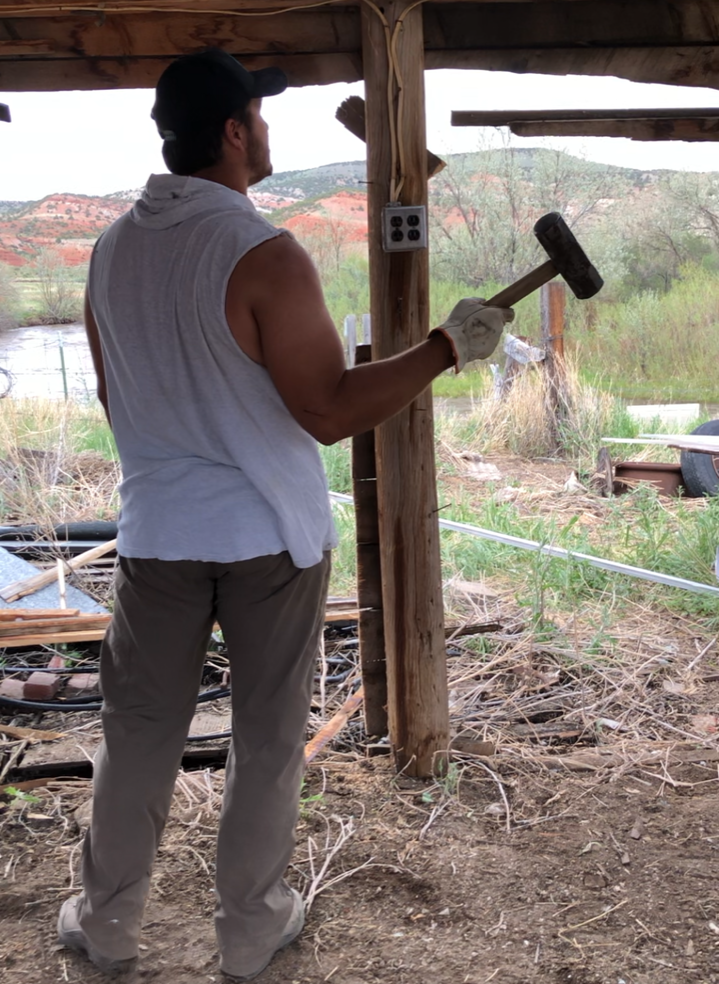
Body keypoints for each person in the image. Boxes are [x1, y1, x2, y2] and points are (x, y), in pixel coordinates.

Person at [56, 48, 513, 982]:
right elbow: (330, 409)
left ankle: (104, 929)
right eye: (258, 117)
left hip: (156, 537)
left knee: (138, 738)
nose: (266, 131)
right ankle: (250, 932)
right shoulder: (261, 252)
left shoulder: (110, 250)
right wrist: (444, 348)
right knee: (265, 743)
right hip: (267, 539)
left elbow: (115, 399)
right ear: (233, 132)